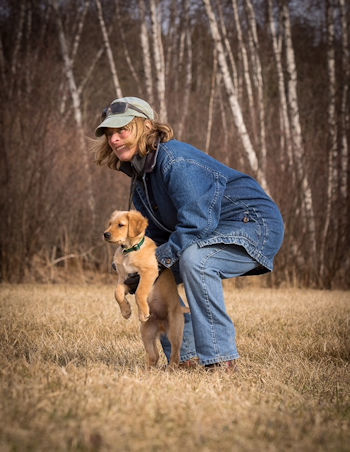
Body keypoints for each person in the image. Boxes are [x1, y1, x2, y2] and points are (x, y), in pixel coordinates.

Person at [94, 96, 284, 370]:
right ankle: (186, 357)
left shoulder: (175, 161)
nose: (114, 139)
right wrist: (134, 263)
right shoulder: (141, 178)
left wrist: (155, 260)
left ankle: (221, 360)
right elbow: (157, 237)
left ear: (146, 126)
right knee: (152, 270)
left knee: (196, 259)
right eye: (110, 134)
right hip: (217, 229)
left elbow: (198, 224)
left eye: (122, 130)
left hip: (255, 224)